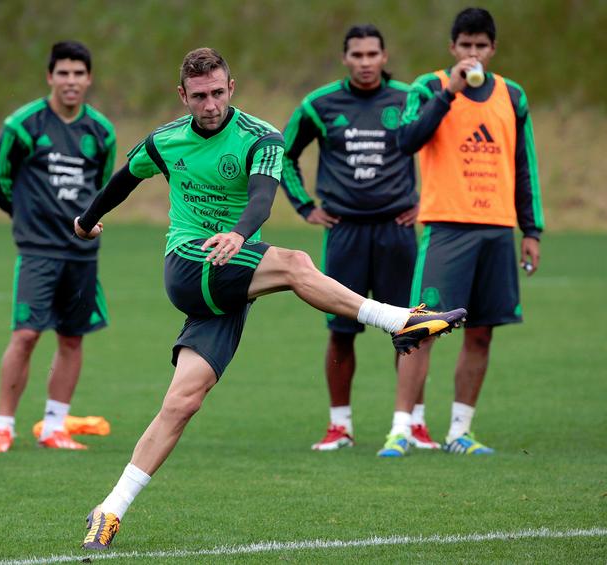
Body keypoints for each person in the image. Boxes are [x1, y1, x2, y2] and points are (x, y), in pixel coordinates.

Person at [74, 47, 466, 550]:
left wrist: (239, 234)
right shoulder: (165, 140)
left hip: (229, 275)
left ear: (231, 88)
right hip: (189, 264)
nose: (210, 104)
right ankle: (398, 321)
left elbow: (262, 197)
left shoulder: (261, 137)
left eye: (218, 93)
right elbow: (122, 180)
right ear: (183, 96)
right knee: (296, 263)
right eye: (199, 96)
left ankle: (110, 509)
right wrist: (86, 222)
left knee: (182, 402)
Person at [391, 7, 544, 456]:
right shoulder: (428, 86)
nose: (472, 53)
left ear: (492, 49)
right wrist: (449, 94)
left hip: (497, 229)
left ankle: (460, 432)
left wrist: (531, 230)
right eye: (465, 45)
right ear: (452, 47)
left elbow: (524, 166)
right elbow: (406, 140)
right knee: (422, 328)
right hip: (446, 227)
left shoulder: (513, 95)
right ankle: (401, 429)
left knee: (481, 333)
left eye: (480, 46)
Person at [280, 25, 440, 453]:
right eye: (357, 55)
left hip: (397, 231)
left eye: (372, 54)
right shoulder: (319, 105)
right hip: (344, 232)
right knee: (341, 331)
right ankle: (340, 426)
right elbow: (284, 155)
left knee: (411, 329)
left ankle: (414, 424)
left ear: (384, 57)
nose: (365, 62)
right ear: (345, 58)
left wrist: (427, 202)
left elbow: (442, 149)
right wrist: (305, 207)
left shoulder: (410, 99)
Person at [0, 40, 115, 453]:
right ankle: (3, 427)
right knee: (25, 335)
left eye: (79, 73)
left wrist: (87, 224)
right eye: (63, 73)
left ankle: (55, 427)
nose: (71, 81)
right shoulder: (23, 125)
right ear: (50, 77)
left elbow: (102, 190)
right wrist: (24, 216)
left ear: (89, 79)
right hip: (38, 250)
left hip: (82, 251)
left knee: (72, 338)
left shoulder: (102, 132)